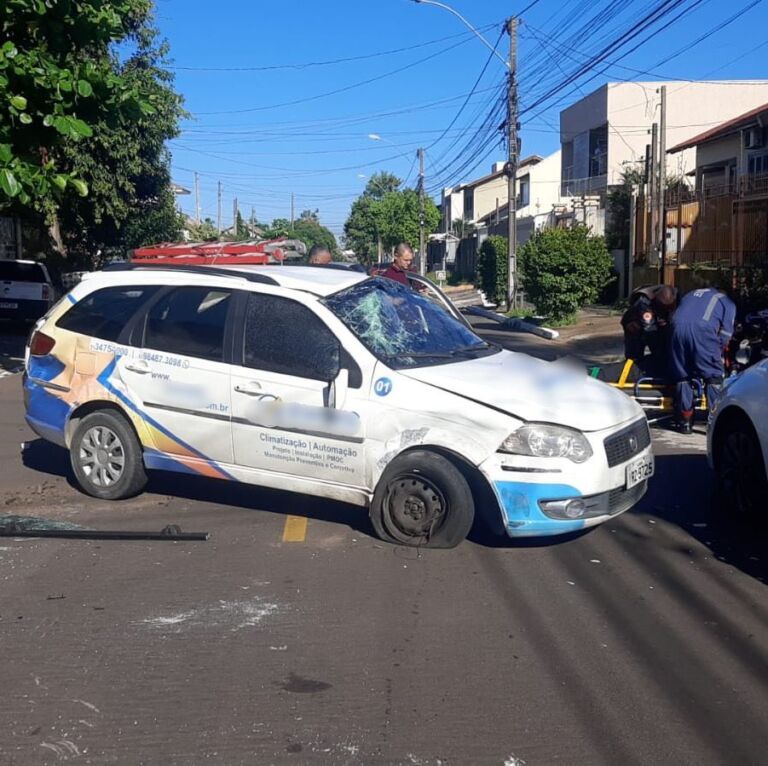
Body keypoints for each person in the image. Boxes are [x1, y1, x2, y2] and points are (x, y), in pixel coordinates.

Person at [670, 287, 736, 433]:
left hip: (676, 329)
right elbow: (726, 334)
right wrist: (717, 350)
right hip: (703, 331)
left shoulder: (691, 293)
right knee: (713, 376)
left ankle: (685, 421)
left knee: (683, 374)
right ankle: (716, 422)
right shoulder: (727, 302)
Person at [620, 284, 678, 377]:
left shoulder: (675, 295)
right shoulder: (644, 304)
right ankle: (630, 375)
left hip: (654, 324)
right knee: (634, 357)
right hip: (634, 324)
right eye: (664, 308)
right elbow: (651, 332)